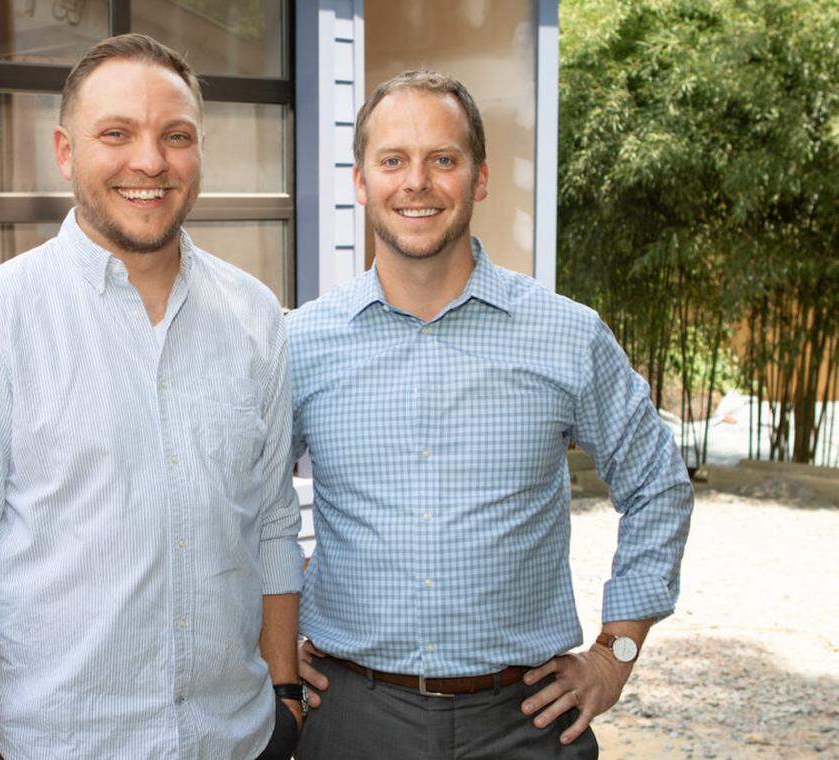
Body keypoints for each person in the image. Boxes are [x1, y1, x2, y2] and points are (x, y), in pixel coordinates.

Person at [0, 34, 305, 760]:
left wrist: (285, 694)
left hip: (236, 740)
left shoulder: (255, 315)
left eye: (176, 136)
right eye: (116, 134)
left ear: (199, 151)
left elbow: (271, 521)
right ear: (66, 152)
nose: (150, 161)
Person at [288, 69, 694, 759]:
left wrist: (615, 652)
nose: (417, 183)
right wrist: (272, 647)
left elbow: (657, 484)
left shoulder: (567, 336)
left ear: (478, 179)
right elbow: (240, 504)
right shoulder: (301, 343)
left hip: (524, 723)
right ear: (360, 181)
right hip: (353, 717)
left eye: (443, 160)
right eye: (393, 160)